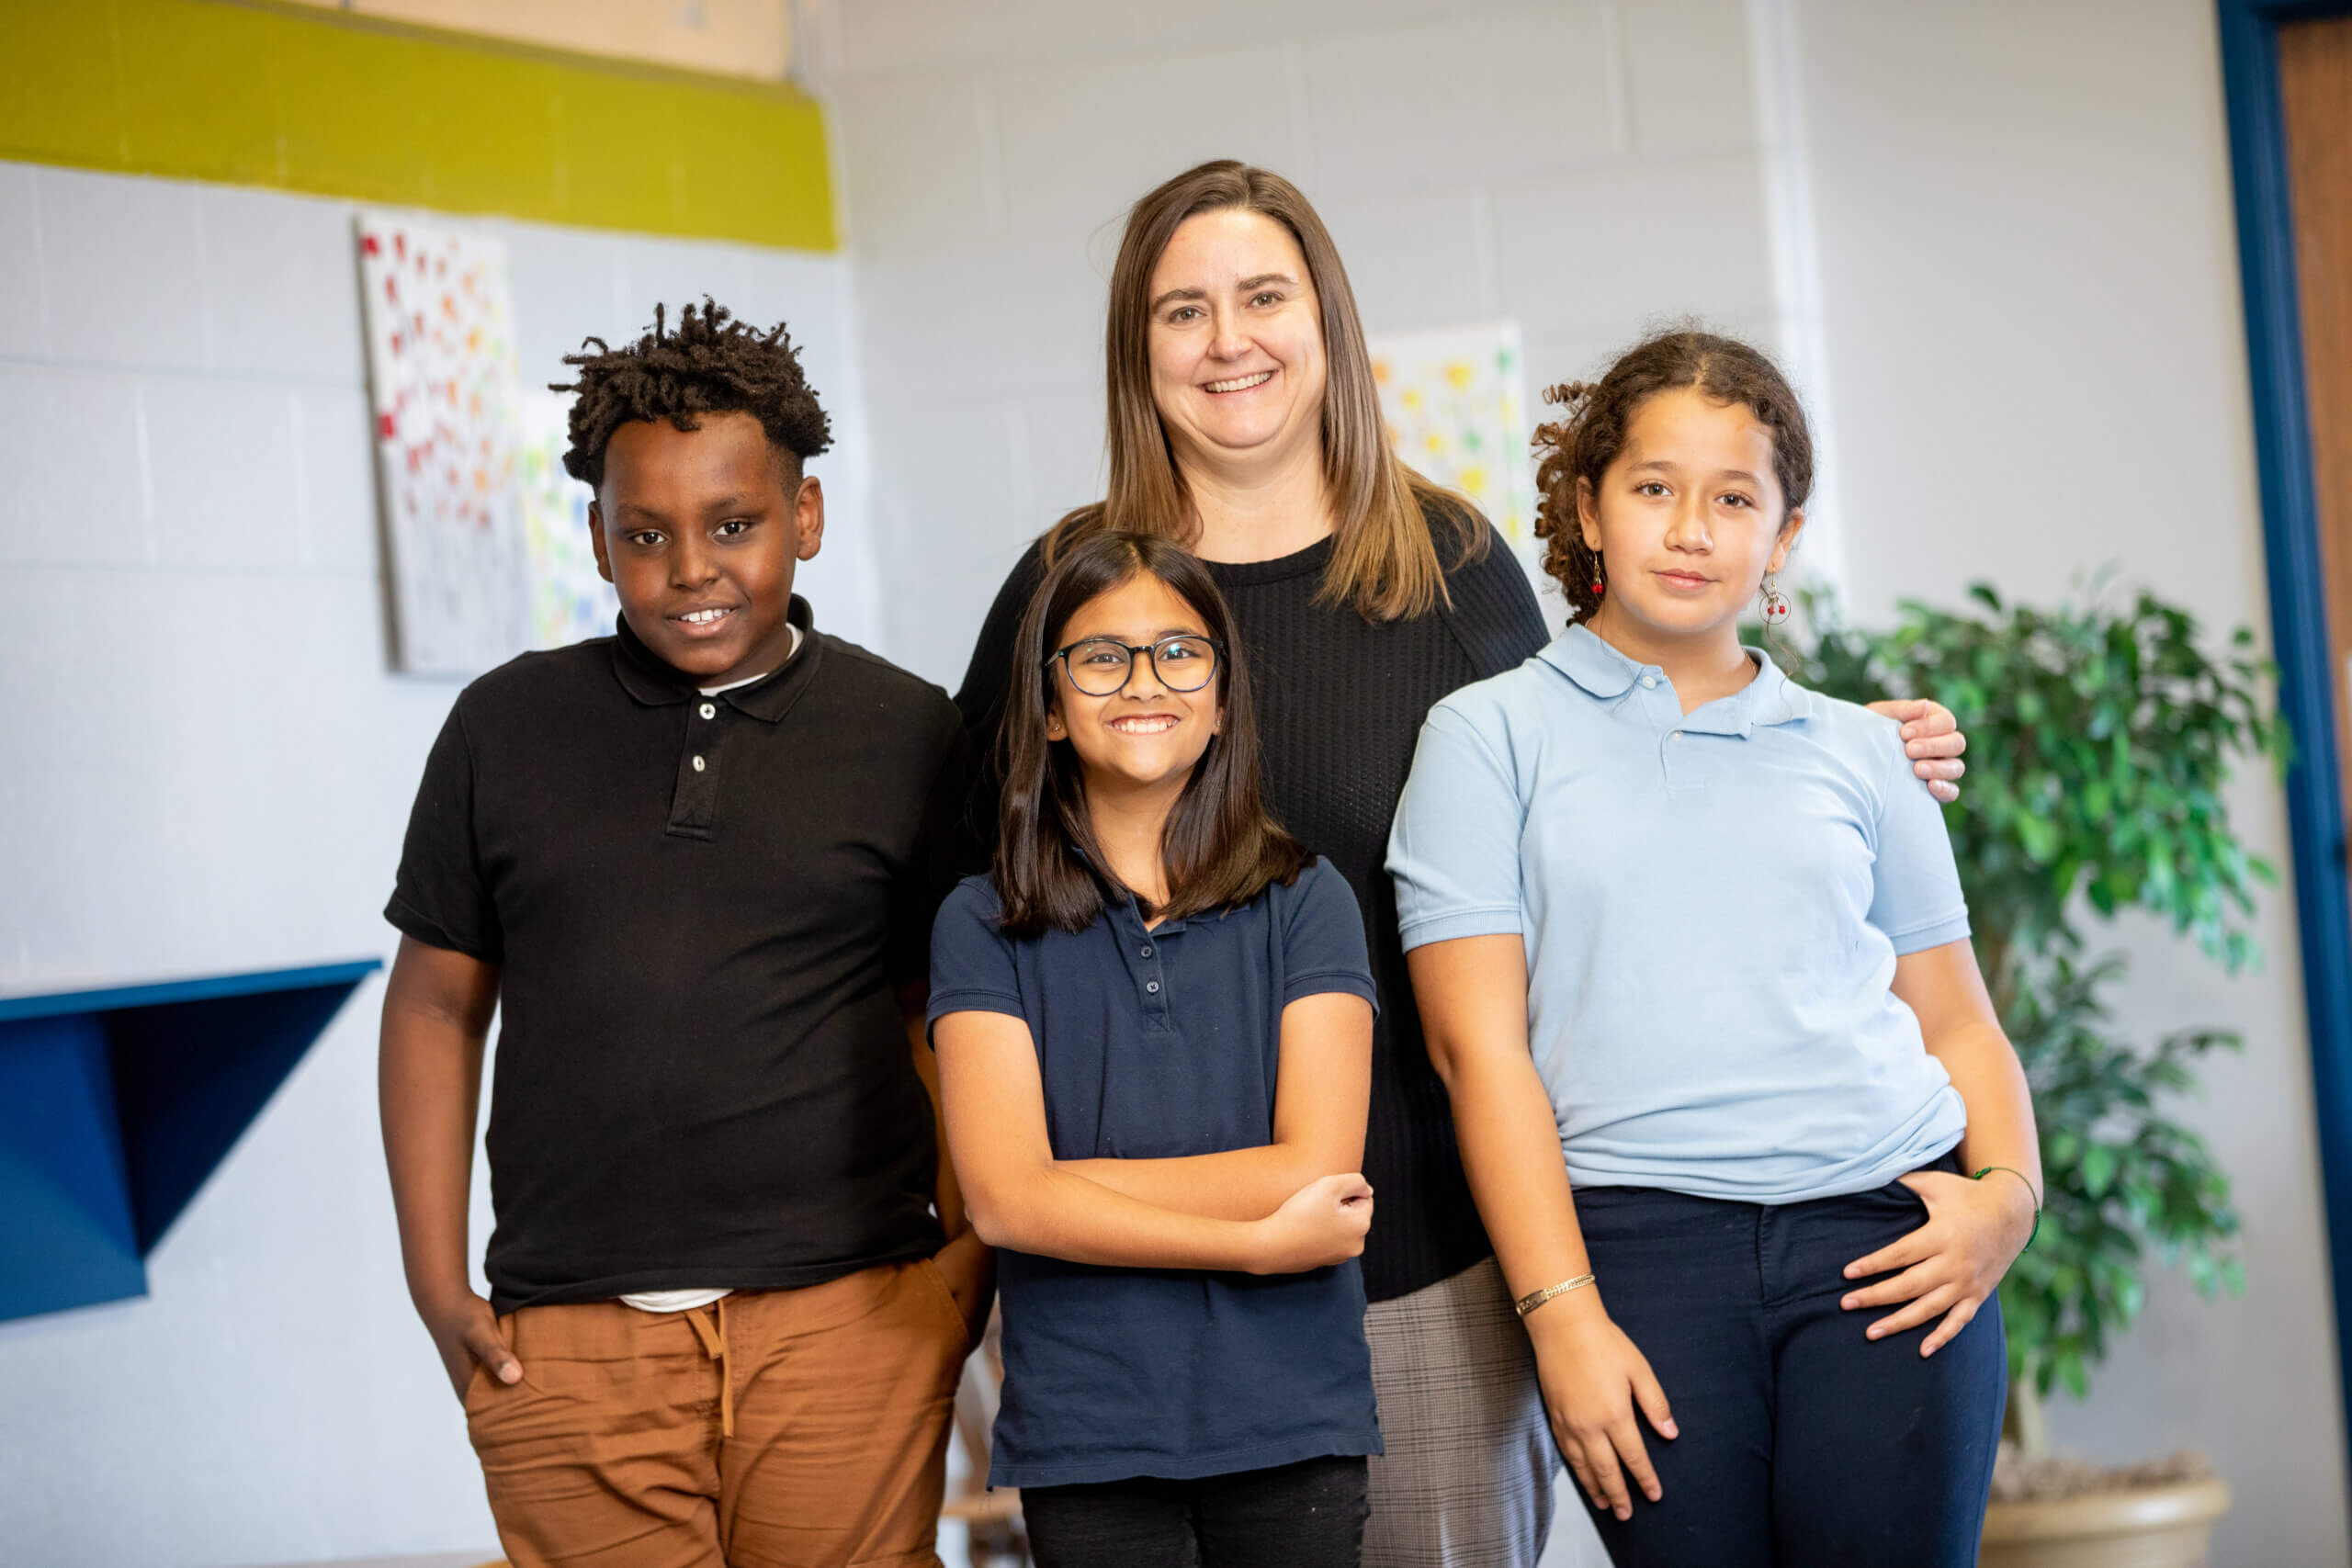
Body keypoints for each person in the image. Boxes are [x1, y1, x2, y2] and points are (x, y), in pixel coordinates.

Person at [951, 160, 1973, 1566]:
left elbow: (1601, 758)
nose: (1228, 338)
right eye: (1183, 309)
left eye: (1263, 295)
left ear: (1327, 319)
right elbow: (975, 896)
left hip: (1413, 1247)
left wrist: (1836, 739)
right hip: (1119, 1264)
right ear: (1139, 348)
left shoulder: (1441, 562)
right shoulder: (1071, 586)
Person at [1390, 330, 2039, 1567]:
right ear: (1587, 507)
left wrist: (2010, 1194)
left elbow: (1958, 1019)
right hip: (1638, 1255)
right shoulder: (1484, 738)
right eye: (1652, 487)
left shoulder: (1864, 750)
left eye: (1734, 497)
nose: (1691, 528)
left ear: (1783, 537)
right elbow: (1479, 1056)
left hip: (1888, 1240)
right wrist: (1562, 1312)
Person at [379, 300, 987, 1568]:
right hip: (569, 1337)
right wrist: (438, 1285)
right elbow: (437, 1006)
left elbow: (949, 1015)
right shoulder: (505, 729)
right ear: (599, 541)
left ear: (804, 520)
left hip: (849, 1316)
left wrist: (961, 1268)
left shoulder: (911, 731)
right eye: (645, 533)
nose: (691, 566)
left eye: (735, 524)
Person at [931, 529, 1383, 1568]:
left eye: (1180, 653)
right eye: (1101, 657)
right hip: (1090, 1430)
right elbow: (1003, 1202)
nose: (1145, 681)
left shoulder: (1306, 900)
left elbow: (1314, 1166)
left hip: (1291, 1419)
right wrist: (1255, 1241)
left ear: (1222, 698)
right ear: (1048, 705)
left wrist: (1070, 1193)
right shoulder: (981, 922)